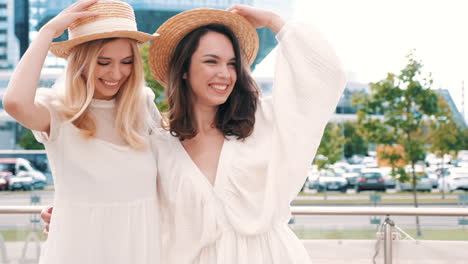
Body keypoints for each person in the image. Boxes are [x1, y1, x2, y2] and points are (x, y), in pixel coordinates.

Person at [148, 6, 347, 264]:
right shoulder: (160, 144)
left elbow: (327, 77)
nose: (225, 74)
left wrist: (274, 21)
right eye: (211, 61)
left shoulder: (262, 122)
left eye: (232, 64)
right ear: (184, 69)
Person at [3, 0, 161, 263]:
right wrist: (47, 33)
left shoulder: (142, 103)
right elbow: (15, 103)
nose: (116, 72)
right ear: (82, 60)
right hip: (79, 249)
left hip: (141, 248)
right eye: (103, 61)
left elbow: (171, 171)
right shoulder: (57, 109)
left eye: (127, 61)